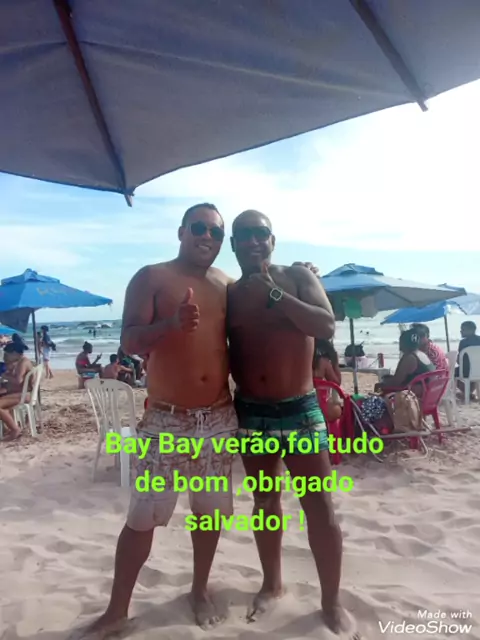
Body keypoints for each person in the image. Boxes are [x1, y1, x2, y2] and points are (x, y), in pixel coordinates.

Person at [84, 203, 319, 638]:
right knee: (143, 517)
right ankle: (116, 611)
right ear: (181, 232)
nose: (206, 236)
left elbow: (265, 309)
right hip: (167, 419)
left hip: (218, 416)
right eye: (198, 227)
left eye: (215, 231)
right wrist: (171, 324)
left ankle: (199, 590)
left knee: (208, 515)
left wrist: (301, 276)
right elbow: (130, 341)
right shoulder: (151, 277)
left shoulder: (227, 285)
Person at [227, 210, 350, 635]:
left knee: (320, 507)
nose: (252, 241)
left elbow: (326, 325)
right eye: (243, 235)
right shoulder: (229, 293)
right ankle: (272, 584)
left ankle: (331, 602)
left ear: (272, 240)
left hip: (300, 409)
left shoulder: (298, 277)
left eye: (260, 233)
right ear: (233, 245)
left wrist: (275, 294)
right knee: (265, 503)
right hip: (251, 412)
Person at [375, 329, 435, 395]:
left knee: (380, 388)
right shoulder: (422, 354)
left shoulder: (410, 358)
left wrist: (382, 383)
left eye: (400, 341)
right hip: (428, 393)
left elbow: (396, 382)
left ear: (404, 343)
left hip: (414, 396)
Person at [0, 342, 33, 440]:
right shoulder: (22, 361)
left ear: (14, 353)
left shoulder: (23, 363)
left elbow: (18, 381)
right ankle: (8, 427)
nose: (5, 357)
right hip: (23, 393)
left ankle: (15, 429)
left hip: (24, 395)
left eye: (7, 355)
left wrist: (4, 376)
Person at [312, 339, 342, 421]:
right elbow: (336, 383)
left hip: (303, 406)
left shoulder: (302, 361)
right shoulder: (323, 362)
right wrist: (335, 364)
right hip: (321, 408)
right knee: (338, 408)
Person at [456, 321, 480, 399]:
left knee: (450, 373)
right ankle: (468, 392)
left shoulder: (463, 342)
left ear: (472, 330)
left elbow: (459, 361)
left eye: (463, 329)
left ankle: (467, 392)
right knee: (473, 373)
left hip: (466, 371)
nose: (461, 331)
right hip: (479, 369)